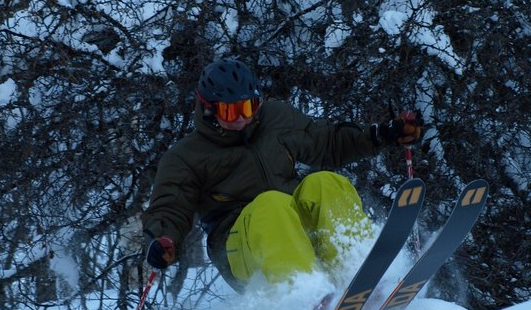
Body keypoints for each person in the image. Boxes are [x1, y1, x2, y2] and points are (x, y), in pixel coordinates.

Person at [142, 59, 423, 287]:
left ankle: (360, 272)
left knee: (323, 182)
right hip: (240, 248)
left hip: (292, 230)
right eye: (230, 111)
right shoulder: (186, 155)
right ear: (208, 111)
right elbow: (170, 207)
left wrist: (382, 135)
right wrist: (162, 240)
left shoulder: (275, 120)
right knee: (270, 203)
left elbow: (327, 143)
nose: (242, 118)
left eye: (248, 107)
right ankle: (302, 297)